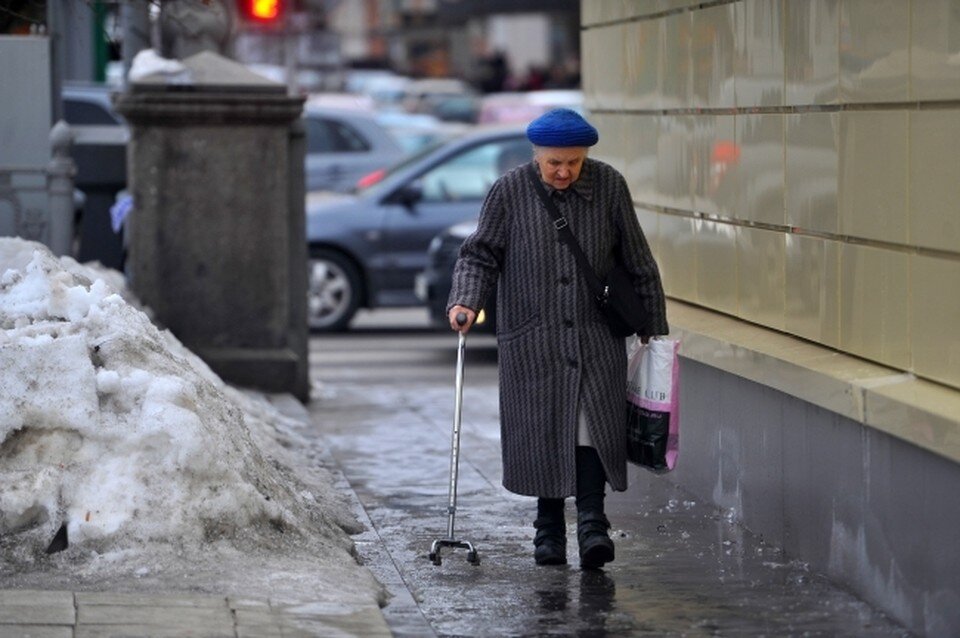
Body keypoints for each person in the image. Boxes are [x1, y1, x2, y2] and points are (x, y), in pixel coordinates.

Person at [446, 108, 669, 569]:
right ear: (537, 156)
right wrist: (465, 300)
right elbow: (480, 254)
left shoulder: (609, 186)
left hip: (595, 336)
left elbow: (638, 259)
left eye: (574, 162)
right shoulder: (510, 190)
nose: (565, 172)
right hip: (533, 338)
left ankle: (593, 527)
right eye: (555, 163)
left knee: (590, 430)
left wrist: (654, 327)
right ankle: (547, 532)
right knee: (546, 431)